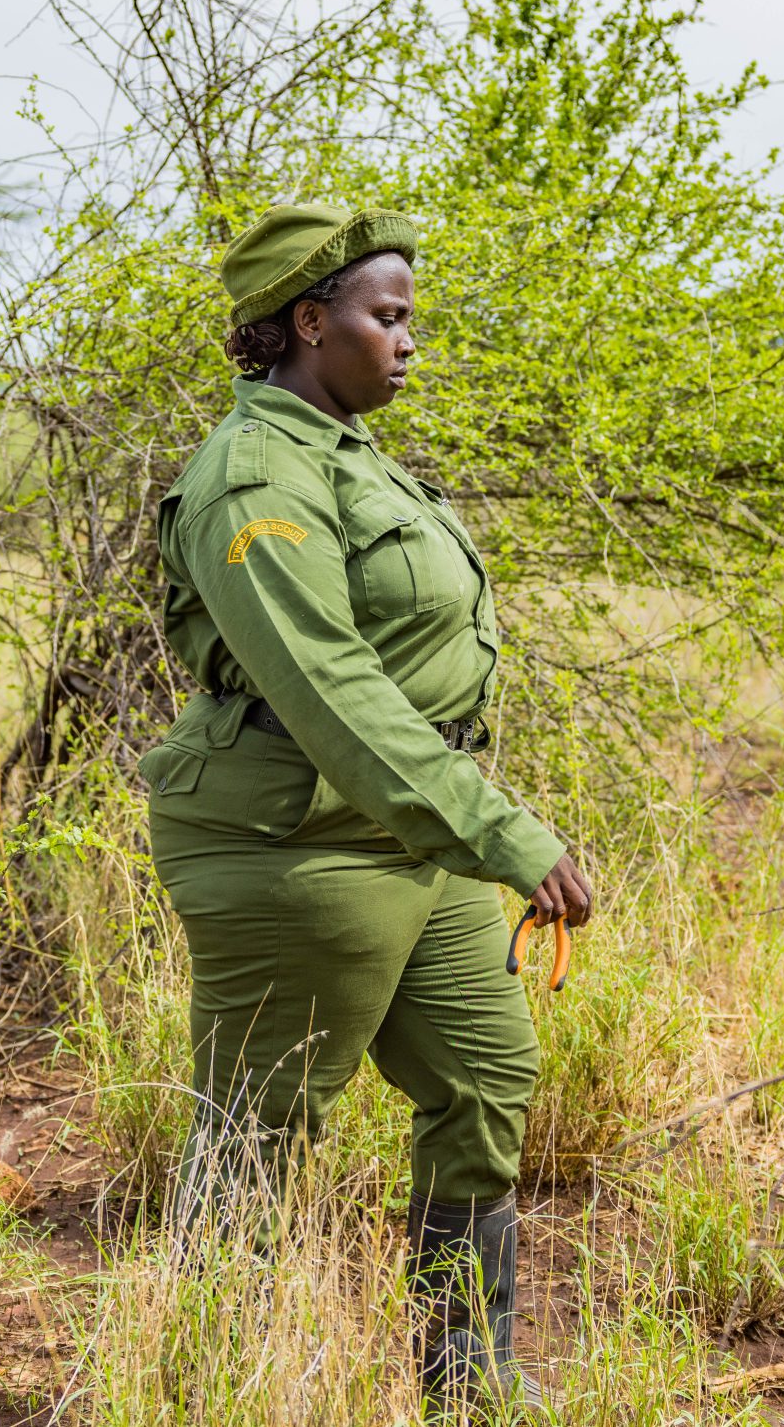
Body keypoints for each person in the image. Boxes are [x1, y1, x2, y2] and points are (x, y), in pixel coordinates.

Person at [141, 202, 594, 1413]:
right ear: (307, 321)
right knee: (258, 1135)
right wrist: (502, 830)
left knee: (485, 1075)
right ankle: (211, 1381)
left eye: (406, 318)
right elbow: (327, 684)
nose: (407, 341)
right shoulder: (254, 473)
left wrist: (469, 819)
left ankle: (469, 1381)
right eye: (384, 317)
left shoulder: (351, 454)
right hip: (292, 834)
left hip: (407, 831)